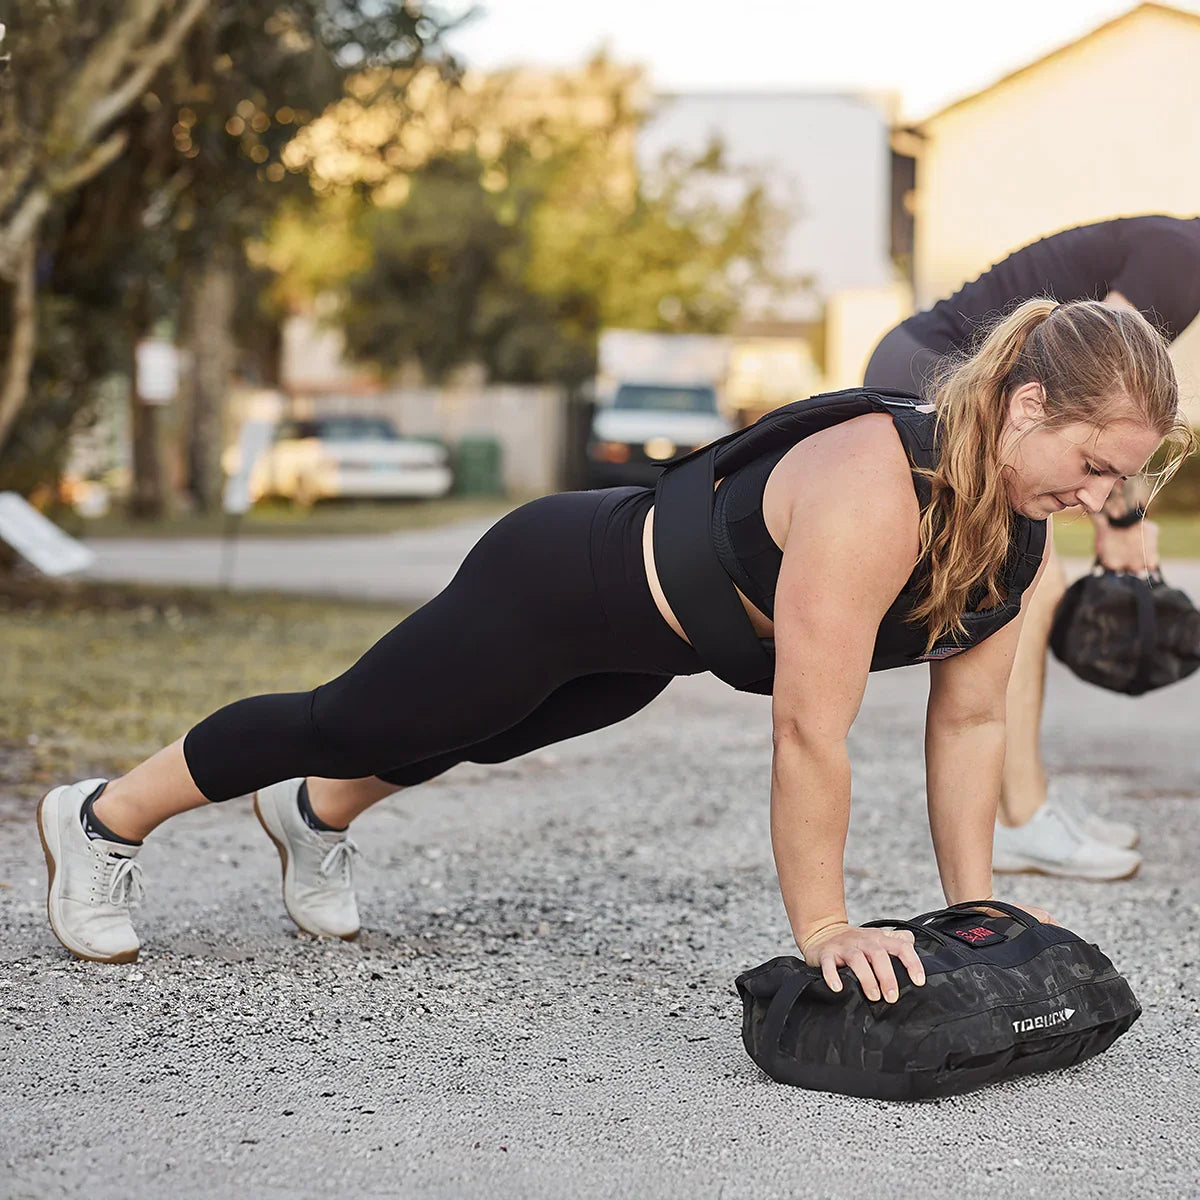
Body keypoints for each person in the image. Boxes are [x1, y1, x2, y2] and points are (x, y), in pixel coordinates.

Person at [38, 299, 1191, 1008]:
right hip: (560, 580)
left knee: (477, 732)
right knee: (359, 719)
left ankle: (316, 816)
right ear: (1029, 404)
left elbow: (973, 723)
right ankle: (101, 817)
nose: (1099, 501)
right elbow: (808, 727)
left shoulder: (1017, 540)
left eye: (1118, 482)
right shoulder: (879, 485)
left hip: (650, 651)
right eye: (1092, 464)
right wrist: (827, 929)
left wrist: (975, 919)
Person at [866, 215, 1200, 880]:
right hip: (936, 368)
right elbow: (1106, 394)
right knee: (1028, 574)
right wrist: (1124, 523)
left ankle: (1026, 799)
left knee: (1025, 568)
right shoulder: (1183, 258)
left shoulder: (1176, 247)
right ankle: (1018, 816)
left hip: (937, 361)